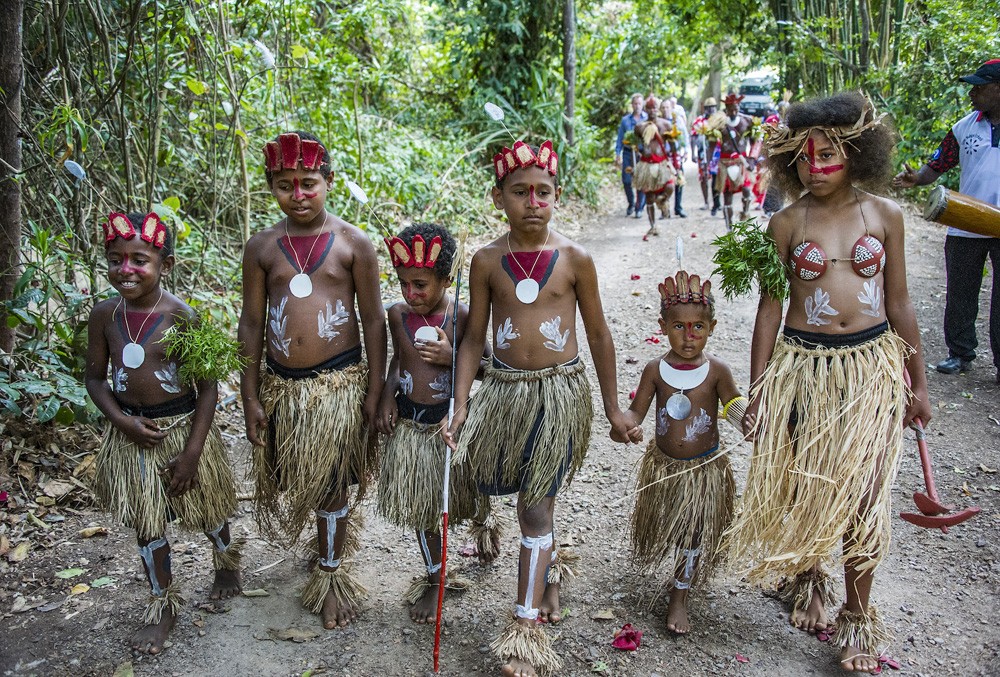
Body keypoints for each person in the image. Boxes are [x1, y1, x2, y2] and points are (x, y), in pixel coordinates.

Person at [728, 92, 932, 674]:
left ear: (857, 155)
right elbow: (770, 310)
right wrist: (760, 390)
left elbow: (899, 303)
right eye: (805, 158)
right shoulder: (786, 222)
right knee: (811, 487)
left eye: (829, 155)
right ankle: (810, 579)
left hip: (867, 369)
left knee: (863, 497)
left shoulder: (884, 217)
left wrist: (918, 384)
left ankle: (858, 618)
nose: (815, 168)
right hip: (805, 368)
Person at [446, 139, 635, 676]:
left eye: (543, 191)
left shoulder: (575, 259)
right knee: (507, 491)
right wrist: (459, 405)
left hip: (559, 397)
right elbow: (472, 339)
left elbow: (598, 335)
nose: (533, 200)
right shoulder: (486, 261)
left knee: (535, 507)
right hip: (505, 395)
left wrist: (613, 408)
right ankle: (548, 570)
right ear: (498, 197)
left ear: (558, 196)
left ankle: (524, 629)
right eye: (520, 191)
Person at [239, 131, 387, 629]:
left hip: (336, 389)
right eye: (285, 185)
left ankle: (330, 573)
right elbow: (251, 323)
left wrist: (374, 389)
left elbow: (373, 321)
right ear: (271, 187)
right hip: (283, 389)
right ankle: (329, 540)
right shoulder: (262, 248)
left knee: (330, 485)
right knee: (297, 478)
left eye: (308, 183)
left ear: (329, 181)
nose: (298, 195)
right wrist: (250, 395)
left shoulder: (352, 244)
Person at [86, 212, 241, 654]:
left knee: (207, 509)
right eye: (116, 259)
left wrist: (193, 452)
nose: (126, 269)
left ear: (165, 264)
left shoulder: (182, 316)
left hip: (181, 430)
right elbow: (95, 379)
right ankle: (163, 602)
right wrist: (122, 422)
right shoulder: (104, 315)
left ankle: (226, 563)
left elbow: (208, 388)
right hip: (130, 435)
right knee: (146, 522)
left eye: (140, 259)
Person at [376, 222, 497, 623]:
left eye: (421, 285)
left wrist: (453, 358)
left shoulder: (462, 315)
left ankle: (484, 525)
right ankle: (435, 577)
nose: (411, 294)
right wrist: (388, 396)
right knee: (425, 510)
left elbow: (489, 368)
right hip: (413, 427)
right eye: (404, 283)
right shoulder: (397, 314)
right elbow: (397, 362)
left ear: (447, 279)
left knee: (472, 491)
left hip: (453, 427)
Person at [613, 271, 743, 635]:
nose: (689, 337)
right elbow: (637, 411)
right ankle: (678, 579)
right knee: (673, 528)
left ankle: (680, 594)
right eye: (679, 327)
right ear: (663, 326)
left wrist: (745, 420)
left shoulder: (717, 370)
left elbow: (731, 403)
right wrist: (627, 425)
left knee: (693, 533)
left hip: (703, 472)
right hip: (665, 470)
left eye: (698, 327)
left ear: (712, 327)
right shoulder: (656, 369)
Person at [893, 58, 1000, 381]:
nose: (972, 93)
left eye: (980, 87)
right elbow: (937, 166)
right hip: (966, 222)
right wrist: (917, 178)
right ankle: (960, 353)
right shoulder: (964, 127)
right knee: (960, 292)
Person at [708, 93, 756, 229]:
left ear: (739, 106)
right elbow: (711, 144)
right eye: (731, 109)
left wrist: (752, 159)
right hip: (725, 163)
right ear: (726, 109)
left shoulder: (748, 121)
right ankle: (729, 229)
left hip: (741, 162)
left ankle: (745, 213)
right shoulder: (719, 123)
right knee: (727, 196)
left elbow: (755, 142)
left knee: (747, 189)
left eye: (736, 108)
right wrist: (708, 162)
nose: (734, 112)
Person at [634, 96, 678, 239]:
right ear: (645, 109)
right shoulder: (640, 127)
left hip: (662, 164)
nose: (652, 110)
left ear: (657, 109)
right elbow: (635, 144)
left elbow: (672, 146)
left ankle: (663, 200)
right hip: (647, 165)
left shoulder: (666, 125)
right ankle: (653, 226)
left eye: (654, 107)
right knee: (649, 197)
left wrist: (675, 162)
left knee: (670, 187)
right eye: (649, 108)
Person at [615, 94, 648, 218]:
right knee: (627, 180)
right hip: (628, 152)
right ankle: (631, 203)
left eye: (639, 103)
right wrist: (617, 153)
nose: (637, 106)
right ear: (632, 104)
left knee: (641, 180)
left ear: (642, 104)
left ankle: (639, 207)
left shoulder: (647, 118)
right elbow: (620, 138)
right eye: (635, 103)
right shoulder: (625, 120)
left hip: (642, 153)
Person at [661, 98, 689, 218]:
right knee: (664, 183)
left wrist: (686, 150)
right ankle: (664, 209)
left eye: (667, 107)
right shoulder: (659, 122)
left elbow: (685, 135)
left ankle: (678, 207)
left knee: (679, 181)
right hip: (664, 156)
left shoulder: (677, 121)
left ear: (671, 108)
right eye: (663, 107)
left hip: (676, 155)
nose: (665, 110)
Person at [690, 97, 720, 211]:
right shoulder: (699, 121)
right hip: (703, 152)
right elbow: (693, 137)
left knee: (716, 177)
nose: (711, 110)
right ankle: (706, 201)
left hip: (716, 153)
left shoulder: (719, 121)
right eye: (709, 108)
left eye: (713, 107)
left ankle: (716, 202)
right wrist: (692, 153)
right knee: (704, 177)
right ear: (704, 109)